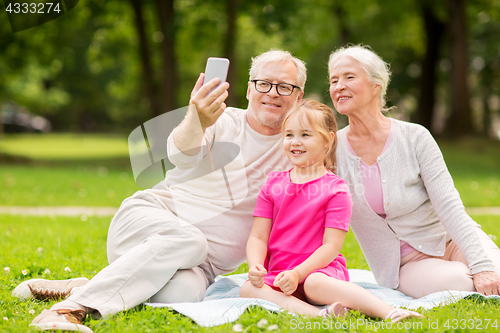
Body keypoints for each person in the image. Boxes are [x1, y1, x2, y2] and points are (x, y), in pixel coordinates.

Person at [14, 50, 306, 333]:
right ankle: (70, 308)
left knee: (182, 297)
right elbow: (181, 154)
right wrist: (196, 118)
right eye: (264, 84)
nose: (273, 93)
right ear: (248, 90)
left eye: (284, 86)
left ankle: (87, 285)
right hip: (147, 222)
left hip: (198, 269)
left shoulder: (301, 148)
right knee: (190, 240)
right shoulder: (222, 120)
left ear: (298, 96)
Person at [328, 44, 500, 299]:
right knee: (460, 283)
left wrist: (482, 264)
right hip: (405, 267)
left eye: (349, 77)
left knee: (494, 273)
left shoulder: (415, 137)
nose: (338, 86)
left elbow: (449, 206)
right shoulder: (331, 151)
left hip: (451, 242)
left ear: (377, 85)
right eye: (333, 80)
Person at [240, 99, 421, 322]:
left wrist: (299, 274)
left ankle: (390, 312)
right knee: (248, 289)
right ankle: (322, 315)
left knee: (314, 285)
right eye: (289, 135)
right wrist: (256, 266)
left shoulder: (335, 189)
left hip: (320, 271)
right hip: (280, 273)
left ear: (328, 141)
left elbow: (330, 247)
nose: (295, 142)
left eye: (306, 135)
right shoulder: (272, 184)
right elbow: (258, 236)